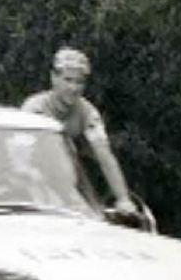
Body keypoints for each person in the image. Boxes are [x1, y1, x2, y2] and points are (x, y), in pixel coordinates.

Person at [21, 48, 136, 218]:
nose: (73, 88)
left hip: (69, 174)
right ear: (54, 78)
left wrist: (123, 198)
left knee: (93, 210)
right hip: (34, 173)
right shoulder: (34, 108)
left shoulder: (87, 112)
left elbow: (104, 155)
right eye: (67, 80)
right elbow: (21, 158)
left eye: (79, 82)